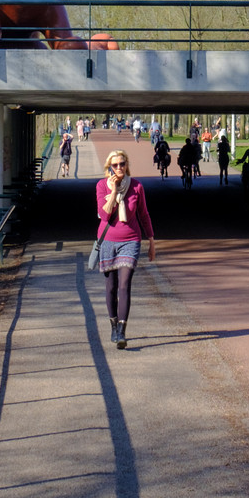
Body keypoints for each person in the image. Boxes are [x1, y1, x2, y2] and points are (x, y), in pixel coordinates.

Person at [94, 150, 156, 349]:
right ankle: (113, 325)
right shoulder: (101, 186)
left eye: (122, 164)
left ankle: (121, 331)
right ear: (109, 168)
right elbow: (104, 216)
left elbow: (144, 214)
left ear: (127, 164)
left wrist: (152, 241)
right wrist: (113, 191)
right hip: (108, 241)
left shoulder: (137, 186)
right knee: (111, 287)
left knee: (124, 284)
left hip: (130, 240)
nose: (119, 168)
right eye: (115, 165)